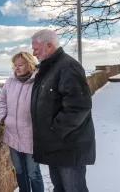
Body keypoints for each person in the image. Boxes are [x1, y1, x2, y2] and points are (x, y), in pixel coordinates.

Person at [30, 29, 96, 192]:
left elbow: (79, 107)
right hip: (56, 146)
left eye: (36, 49)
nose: (33, 53)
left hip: (68, 146)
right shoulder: (49, 68)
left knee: (73, 189)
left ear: (50, 46)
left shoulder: (68, 67)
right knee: (59, 188)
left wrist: (54, 130)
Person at [0, 52, 44, 192]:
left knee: (33, 172)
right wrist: (3, 117)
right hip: (12, 134)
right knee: (19, 171)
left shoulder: (39, 81)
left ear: (30, 64)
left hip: (31, 135)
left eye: (21, 65)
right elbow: (2, 100)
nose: (17, 68)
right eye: (15, 65)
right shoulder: (10, 81)